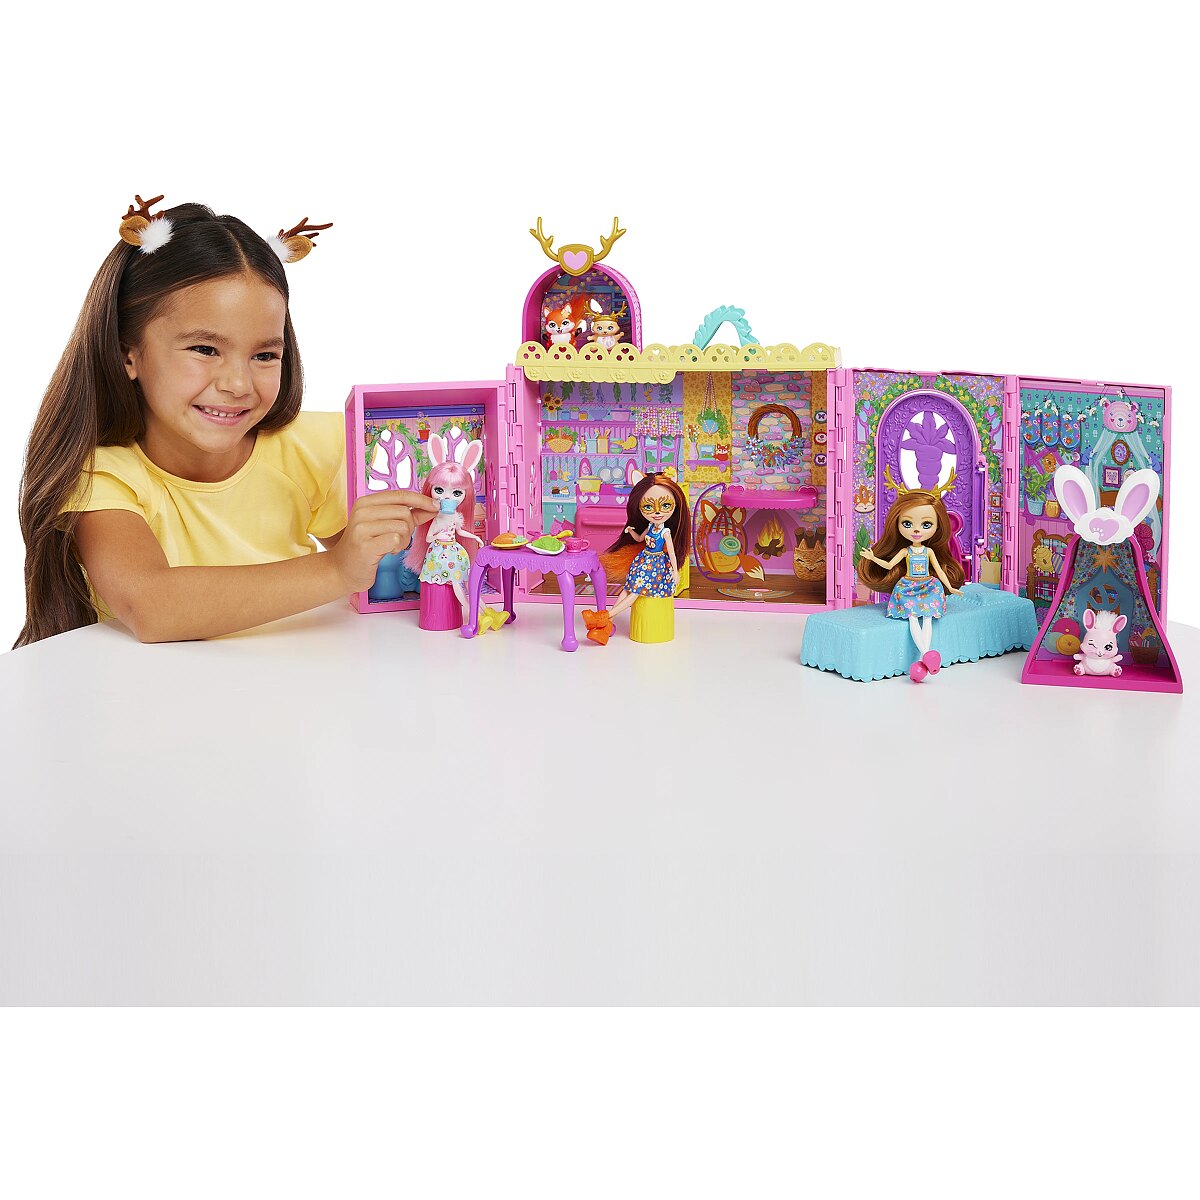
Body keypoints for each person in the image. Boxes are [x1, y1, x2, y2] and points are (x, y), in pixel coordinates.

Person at [15, 196, 435, 647]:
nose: (238, 384)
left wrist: (422, 535)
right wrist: (336, 570)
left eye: (264, 355)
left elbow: (379, 577)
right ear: (128, 354)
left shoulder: (311, 445)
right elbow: (152, 606)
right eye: (205, 349)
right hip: (155, 690)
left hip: (300, 681)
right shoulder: (102, 475)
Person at [856, 468, 965, 682]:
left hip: (928, 586)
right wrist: (872, 557)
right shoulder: (905, 551)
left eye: (926, 524)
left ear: (937, 526)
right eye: (907, 523)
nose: (916, 530)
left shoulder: (929, 551)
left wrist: (950, 587)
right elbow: (889, 564)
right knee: (913, 617)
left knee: (928, 617)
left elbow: (940, 570)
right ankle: (927, 654)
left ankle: (926, 656)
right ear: (897, 524)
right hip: (908, 586)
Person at [581, 472, 690, 645]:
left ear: (675, 506)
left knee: (635, 592)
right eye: (648, 507)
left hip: (657, 567)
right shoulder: (650, 526)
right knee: (627, 588)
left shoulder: (666, 532)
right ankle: (605, 628)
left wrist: (675, 572)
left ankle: (603, 617)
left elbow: (671, 553)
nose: (657, 512)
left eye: (665, 505)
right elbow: (640, 539)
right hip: (643, 561)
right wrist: (631, 531)